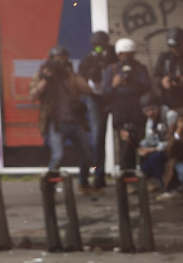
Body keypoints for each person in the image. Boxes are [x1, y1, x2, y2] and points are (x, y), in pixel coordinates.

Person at [29, 45, 95, 194]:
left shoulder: (70, 75)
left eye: (63, 60)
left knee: (87, 154)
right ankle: (49, 187)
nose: (60, 64)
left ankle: (83, 183)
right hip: (56, 123)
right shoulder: (42, 75)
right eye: (57, 61)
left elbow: (87, 90)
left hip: (74, 121)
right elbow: (33, 95)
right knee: (58, 155)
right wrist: (46, 78)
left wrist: (70, 73)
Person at [101, 37, 152, 171]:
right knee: (125, 148)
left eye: (130, 55)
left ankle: (146, 176)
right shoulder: (111, 70)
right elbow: (105, 94)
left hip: (138, 114)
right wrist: (114, 85)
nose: (127, 58)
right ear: (119, 55)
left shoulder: (140, 68)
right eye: (125, 55)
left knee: (142, 144)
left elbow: (147, 86)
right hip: (121, 115)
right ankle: (127, 180)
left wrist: (133, 81)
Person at [77, 30, 117, 190]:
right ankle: (98, 174)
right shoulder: (88, 60)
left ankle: (126, 171)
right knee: (98, 137)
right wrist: (91, 76)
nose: (99, 48)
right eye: (96, 46)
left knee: (123, 131)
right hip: (95, 98)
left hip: (113, 97)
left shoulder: (114, 55)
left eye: (101, 45)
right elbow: (81, 79)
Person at [137, 93, 170, 191]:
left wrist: (152, 149)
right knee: (145, 167)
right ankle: (160, 184)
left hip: (172, 150)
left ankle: (168, 187)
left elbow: (172, 141)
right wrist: (141, 147)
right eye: (146, 111)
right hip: (160, 148)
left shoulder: (169, 115)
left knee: (155, 159)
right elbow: (149, 140)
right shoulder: (150, 121)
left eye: (153, 109)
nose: (150, 113)